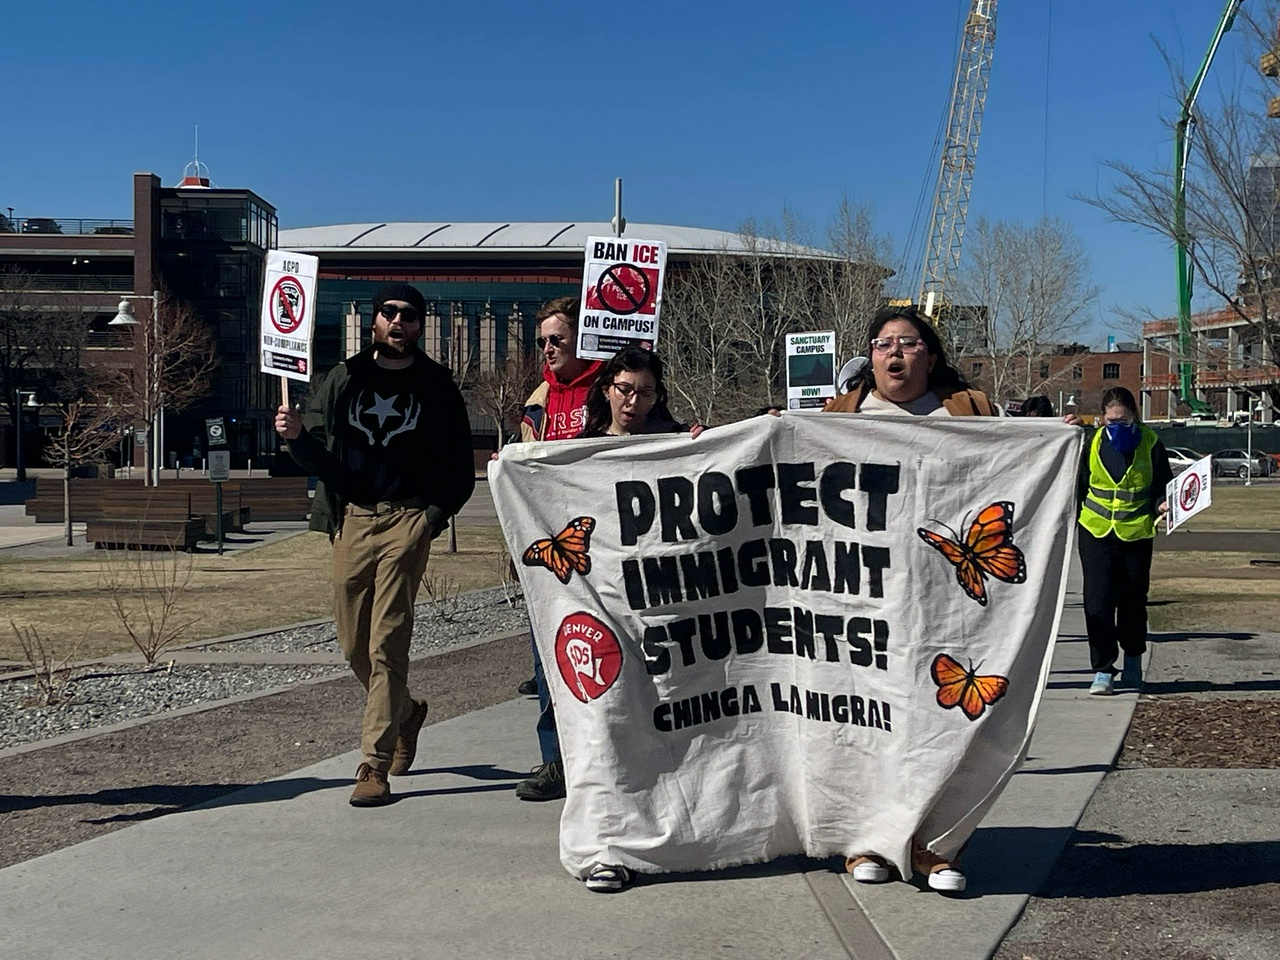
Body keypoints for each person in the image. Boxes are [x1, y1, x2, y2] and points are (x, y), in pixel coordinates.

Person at [274, 282, 475, 807]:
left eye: (410, 316)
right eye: (390, 312)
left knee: (388, 640)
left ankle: (373, 763)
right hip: (353, 520)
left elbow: (460, 466)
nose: (399, 322)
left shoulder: (436, 385)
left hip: (407, 520)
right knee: (351, 641)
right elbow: (319, 456)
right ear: (374, 321)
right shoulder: (343, 379)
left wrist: (431, 519)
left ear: (419, 326)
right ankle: (405, 710)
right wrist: (296, 436)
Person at [823, 305, 996, 894]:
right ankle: (863, 841)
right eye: (881, 342)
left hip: (942, 602)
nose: (893, 352)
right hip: (862, 598)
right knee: (864, 720)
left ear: (932, 354)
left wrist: (1056, 442)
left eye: (907, 342)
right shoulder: (838, 417)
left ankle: (936, 846)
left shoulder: (965, 413)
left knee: (936, 722)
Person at [512, 298, 604, 804]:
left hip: (606, 554)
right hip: (552, 555)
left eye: (558, 340)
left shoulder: (611, 391)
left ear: (582, 339)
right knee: (551, 657)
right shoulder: (536, 404)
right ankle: (557, 761)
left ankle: (612, 751)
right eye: (542, 340)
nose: (547, 349)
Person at [1076, 386, 1171, 697]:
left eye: (1125, 420)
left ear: (1135, 416)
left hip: (1136, 534)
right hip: (1096, 532)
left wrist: (1162, 504)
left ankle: (1132, 661)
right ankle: (1102, 670)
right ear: (1102, 419)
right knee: (1098, 604)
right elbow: (1076, 488)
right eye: (1112, 421)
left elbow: (1162, 487)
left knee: (1132, 602)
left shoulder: (1152, 444)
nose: (1118, 426)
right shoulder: (1089, 444)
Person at [579, 346, 701, 438]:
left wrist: (703, 437)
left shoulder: (674, 437)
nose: (633, 401)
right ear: (606, 391)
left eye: (645, 394)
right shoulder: (584, 446)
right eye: (624, 390)